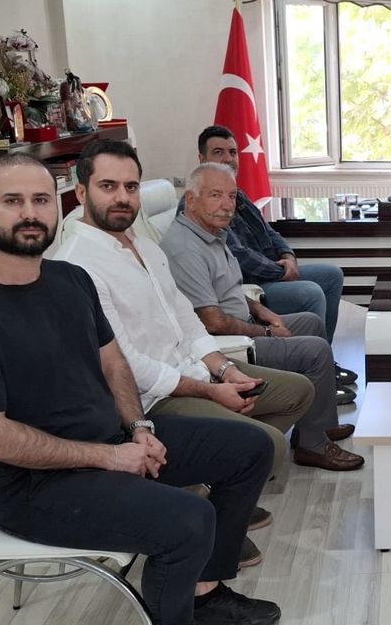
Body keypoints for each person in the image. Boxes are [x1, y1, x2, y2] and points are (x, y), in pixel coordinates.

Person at [0, 152, 280, 625]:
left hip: (110, 441)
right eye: (12, 201)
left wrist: (140, 428)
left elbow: (113, 363)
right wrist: (110, 458)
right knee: (190, 520)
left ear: (59, 205)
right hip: (34, 487)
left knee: (250, 449)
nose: (30, 213)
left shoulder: (70, 280)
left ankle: (203, 593)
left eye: (41, 200)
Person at [55, 139, 317, 566]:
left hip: (195, 369)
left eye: (131, 187)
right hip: (155, 400)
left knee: (299, 392)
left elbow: (185, 316)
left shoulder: (144, 245)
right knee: (269, 447)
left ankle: (221, 486)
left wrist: (224, 369)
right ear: (82, 192)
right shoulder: (76, 265)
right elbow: (126, 364)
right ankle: (216, 524)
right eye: (108, 186)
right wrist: (210, 391)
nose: (123, 197)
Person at [161, 163, 365, 472]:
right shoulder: (186, 250)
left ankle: (316, 426)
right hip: (226, 344)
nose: (227, 205)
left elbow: (226, 291)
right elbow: (211, 321)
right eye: (215, 195)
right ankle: (312, 446)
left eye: (231, 196)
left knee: (311, 322)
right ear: (191, 200)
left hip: (243, 322)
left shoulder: (211, 234)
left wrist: (261, 310)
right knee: (315, 350)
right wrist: (266, 332)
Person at [193, 125, 354, 397]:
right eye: (218, 152)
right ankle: (311, 371)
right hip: (252, 285)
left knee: (331, 275)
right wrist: (280, 272)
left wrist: (288, 257)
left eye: (233, 152)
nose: (228, 159)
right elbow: (238, 255)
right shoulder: (202, 203)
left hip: (272, 271)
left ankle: (324, 363)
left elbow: (270, 232)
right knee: (311, 293)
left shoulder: (238, 195)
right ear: (201, 159)